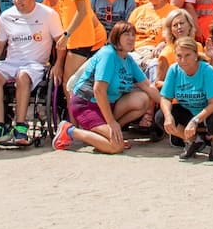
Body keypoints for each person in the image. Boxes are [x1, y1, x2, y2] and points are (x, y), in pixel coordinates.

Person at [0, 0, 66, 147]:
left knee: (23, 76)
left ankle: (20, 125)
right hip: (12, 61)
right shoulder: (7, 16)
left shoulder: (48, 15)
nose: (17, 1)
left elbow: (60, 43)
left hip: (35, 64)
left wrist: (58, 65)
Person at [56, 23, 156, 155]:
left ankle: (105, 133)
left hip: (107, 105)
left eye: (133, 35)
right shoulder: (108, 54)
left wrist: (168, 113)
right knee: (116, 146)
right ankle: (69, 130)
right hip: (87, 104)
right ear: (116, 37)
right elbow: (99, 90)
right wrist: (111, 122)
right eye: (126, 34)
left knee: (143, 99)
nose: (131, 38)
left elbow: (148, 86)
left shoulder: (128, 59)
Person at [159, 36, 213, 160]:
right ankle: (193, 141)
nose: (183, 60)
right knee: (161, 117)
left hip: (211, 108)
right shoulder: (174, 70)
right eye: (179, 56)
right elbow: (165, 97)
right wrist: (168, 116)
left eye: (187, 55)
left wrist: (195, 121)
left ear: (196, 55)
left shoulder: (206, 70)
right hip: (189, 107)